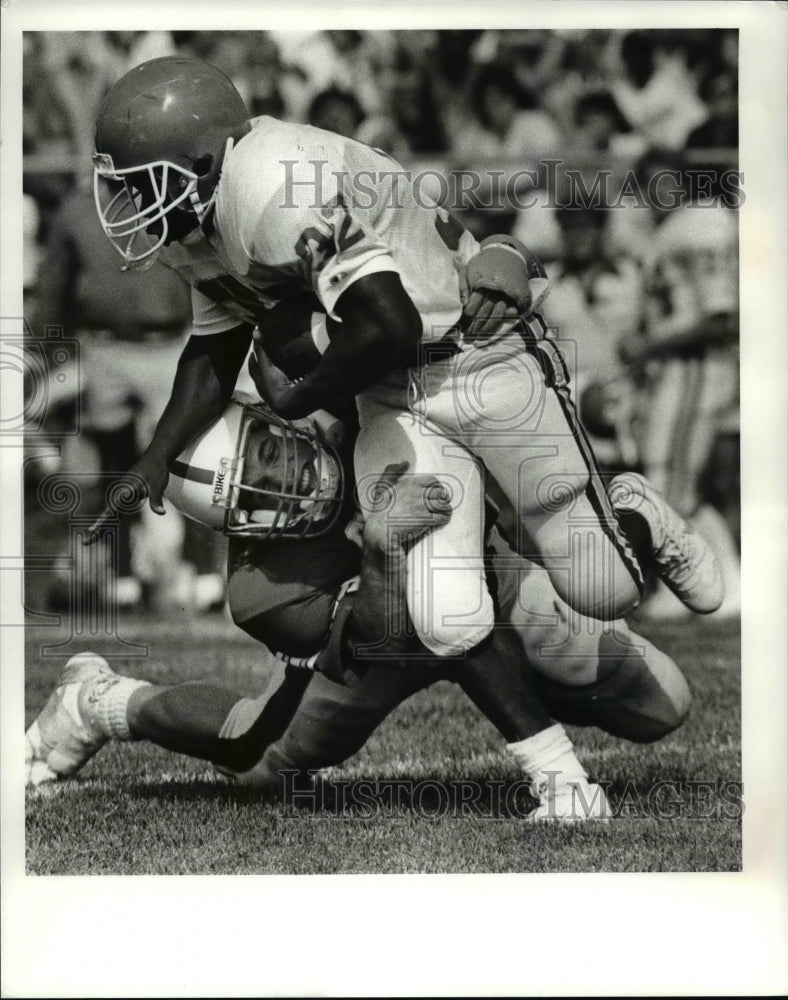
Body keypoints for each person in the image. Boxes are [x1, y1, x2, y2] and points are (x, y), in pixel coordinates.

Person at [87, 56, 723, 663]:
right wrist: (153, 461)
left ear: (207, 161)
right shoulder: (197, 221)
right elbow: (217, 343)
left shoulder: (271, 184)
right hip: (387, 390)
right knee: (447, 623)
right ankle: (513, 556)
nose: (131, 204)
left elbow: (393, 323)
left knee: (601, 587)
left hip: (476, 355)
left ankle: (640, 512)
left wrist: (299, 398)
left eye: (145, 183)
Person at [27, 406, 692, 822]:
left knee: (662, 707)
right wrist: (380, 546)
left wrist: (500, 256)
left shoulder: (346, 404)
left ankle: (628, 514)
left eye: (270, 457)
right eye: (254, 498)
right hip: (382, 645)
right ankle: (99, 701)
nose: (282, 483)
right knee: (256, 760)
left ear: (271, 420)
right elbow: (387, 635)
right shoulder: (262, 590)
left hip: (492, 582)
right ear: (233, 530)